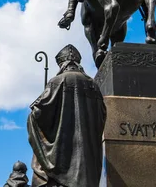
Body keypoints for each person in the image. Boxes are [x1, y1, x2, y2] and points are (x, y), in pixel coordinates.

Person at [27, 44, 106, 187]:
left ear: (62, 64)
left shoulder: (56, 81)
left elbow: (38, 114)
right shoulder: (93, 85)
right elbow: (102, 116)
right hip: (88, 159)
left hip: (63, 156)